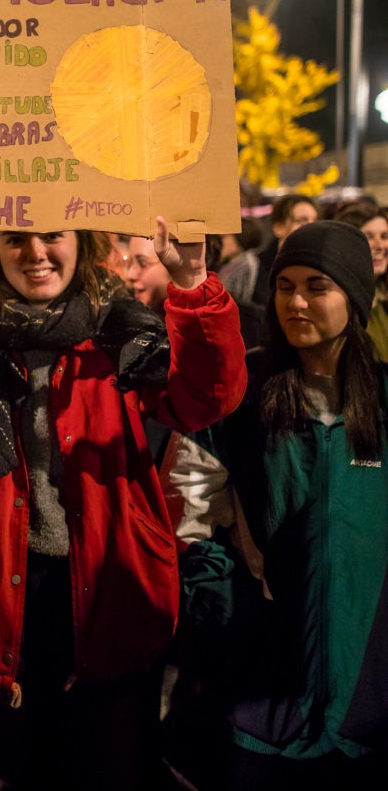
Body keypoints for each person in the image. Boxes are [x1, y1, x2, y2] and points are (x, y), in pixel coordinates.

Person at [0, 219, 247, 791]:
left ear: (83, 243)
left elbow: (204, 399)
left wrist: (192, 282)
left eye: (52, 235)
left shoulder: (118, 325)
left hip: (112, 591)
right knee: (26, 772)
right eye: (15, 238)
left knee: (115, 772)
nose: (36, 252)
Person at [162, 221, 388, 789]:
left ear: (354, 298)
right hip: (262, 691)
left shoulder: (383, 397)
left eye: (317, 286)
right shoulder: (245, 392)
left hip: (369, 696)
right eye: (285, 285)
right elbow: (190, 498)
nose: (295, 301)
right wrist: (215, 594)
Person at [335, 201, 388, 361]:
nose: (379, 245)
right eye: (368, 237)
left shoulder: (381, 295)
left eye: (385, 236)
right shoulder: (338, 300)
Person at [251, 193, 319, 307]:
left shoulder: (320, 267)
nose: (311, 228)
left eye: (315, 221)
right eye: (301, 221)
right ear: (278, 228)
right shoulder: (253, 266)